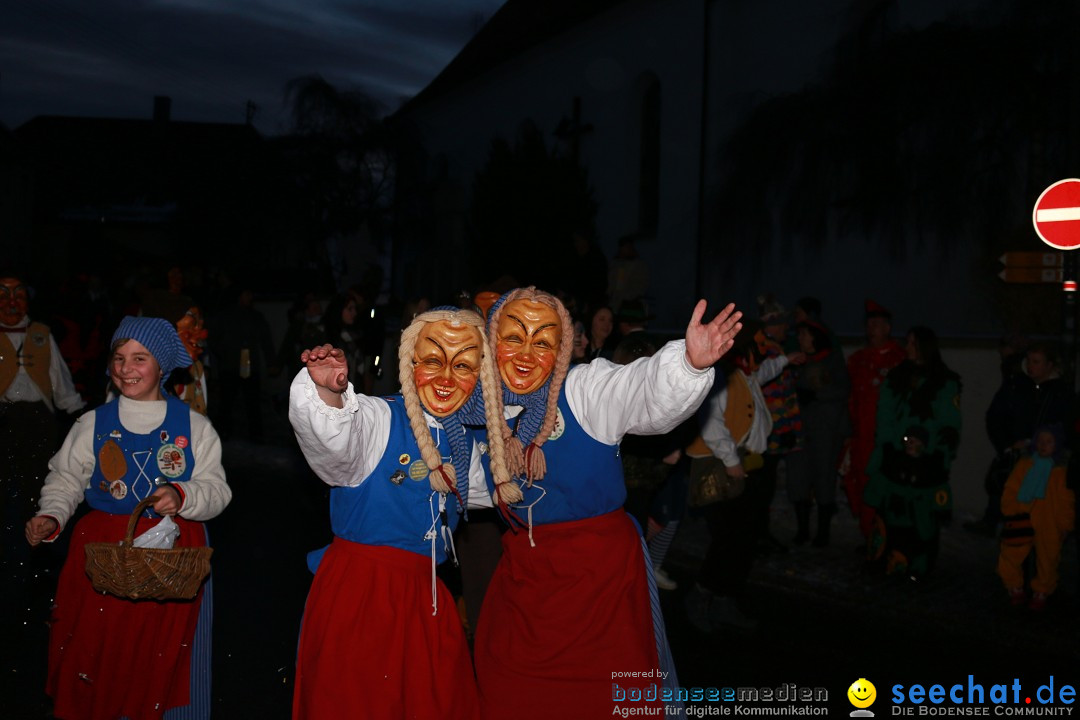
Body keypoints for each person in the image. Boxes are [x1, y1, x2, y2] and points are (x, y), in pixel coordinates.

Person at [463, 286, 741, 720]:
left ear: (561, 350)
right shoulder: (476, 413)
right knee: (511, 695)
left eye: (543, 341)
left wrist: (686, 365)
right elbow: (464, 483)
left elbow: (640, 389)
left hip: (600, 586)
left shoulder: (583, 388)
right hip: (526, 586)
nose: (526, 353)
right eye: (514, 337)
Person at [287, 307, 512, 720]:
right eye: (432, 360)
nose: (446, 378)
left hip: (425, 597)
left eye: (462, 365)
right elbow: (336, 443)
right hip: (361, 596)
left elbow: (494, 490)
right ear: (411, 363)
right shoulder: (378, 418)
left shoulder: (465, 441)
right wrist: (328, 394)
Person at [25, 315, 231, 720]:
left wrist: (183, 494)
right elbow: (67, 477)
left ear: (161, 366)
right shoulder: (92, 423)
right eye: (119, 357)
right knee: (100, 650)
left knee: (161, 650)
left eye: (139, 358)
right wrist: (52, 514)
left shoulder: (194, 427)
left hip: (171, 556)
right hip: (104, 549)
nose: (125, 368)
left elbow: (218, 490)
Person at [686, 320, 800, 633]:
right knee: (728, 540)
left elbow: (763, 373)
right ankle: (700, 598)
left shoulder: (746, 375)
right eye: (758, 349)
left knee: (745, 540)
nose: (761, 357)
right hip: (725, 467)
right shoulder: (723, 375)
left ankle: (725, 600)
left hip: (748, 466)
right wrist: (731, 459)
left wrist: (787, 361)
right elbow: (711, 423)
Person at [864, 326, 962, 578]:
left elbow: (949, 423)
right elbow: (884, 412)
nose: (906, 347)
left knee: (920, 517)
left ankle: (917, 565)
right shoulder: (898, 377)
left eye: (911, 343)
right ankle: (885, 560)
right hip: (895, 455)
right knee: (890, 512)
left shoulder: (944, 382)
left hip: (925, 460)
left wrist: (935, 452)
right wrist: (887, 445)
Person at [970, 340, 1072, 536]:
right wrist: (1007, 445)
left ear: (1049, 365)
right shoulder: (1016, 385)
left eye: (1037, 362)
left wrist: (1050, 446)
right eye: (1030, 361)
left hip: (1047, 462)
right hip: (1017, 455)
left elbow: (1065, 425)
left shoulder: (1060, 392)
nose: (1031, 366)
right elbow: (995, 417)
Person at [843, 300, 905, 541]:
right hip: (861, 437)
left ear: (887, 328)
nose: (872, 329)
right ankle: (870, 538)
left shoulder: (899, 359)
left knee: (886, 487)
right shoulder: (857, 360)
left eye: (877, 324)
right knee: (861, 485)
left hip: (887, 439)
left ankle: (886, 539)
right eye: (869, 324)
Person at [997, 425, 1075, 611]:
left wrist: (1065, 524)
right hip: (1022, 515)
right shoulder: (1025, 464)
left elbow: (1066, 499)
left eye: (1049, 442)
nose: (1043, 446)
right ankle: (1014, 586)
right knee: (1011, 552)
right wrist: (1010, 508)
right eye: (1040, 441)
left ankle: (1042, 590)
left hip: (1048, 520)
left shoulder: (1060, 472)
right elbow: (1012, 487)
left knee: (1048, 557)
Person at [786, 318, 849, 546]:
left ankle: (823, 533)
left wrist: (815, 395)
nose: (799, 338)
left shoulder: (833, 361)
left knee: (824, 479)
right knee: (798, 479)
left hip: (825, 431)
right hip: (798, 430)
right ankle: (802, 530)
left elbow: (842, 391)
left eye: (804, 334)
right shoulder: (795, 362)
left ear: (815, 337)